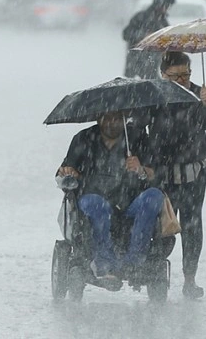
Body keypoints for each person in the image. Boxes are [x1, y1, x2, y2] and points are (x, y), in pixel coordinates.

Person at [57, 111, 165, 283]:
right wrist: (69, 172)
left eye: (116, 118)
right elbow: (63, 172)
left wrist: (140, 169)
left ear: (124, 119)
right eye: (107, 118)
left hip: (130, 203)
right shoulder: (83, 138)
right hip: (93, 199)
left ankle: (134, 261)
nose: (111, 122)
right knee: (96, 205)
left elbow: (157, 174)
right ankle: (105, 263)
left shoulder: (137, 138)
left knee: (154, 196)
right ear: (98, 118)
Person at [146, 51, 206, 299]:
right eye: (175, 76)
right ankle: (156, 276)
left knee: (192, 225)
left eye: (186, 75)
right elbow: (137, 127)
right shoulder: (153, 96)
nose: (181, 81)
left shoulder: (199, 95)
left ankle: (190, 279)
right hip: (163, 176)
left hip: (194, 175)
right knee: (163, 226)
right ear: (162, 74)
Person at [122, 0, 175, 79]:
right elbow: (126, 34)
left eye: (168, 6)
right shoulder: (141, 17)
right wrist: (143, 35)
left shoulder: (163, 23)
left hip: (152, 68)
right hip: (134, 67)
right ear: (159, 3)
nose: (167, 9)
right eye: (166, 5)